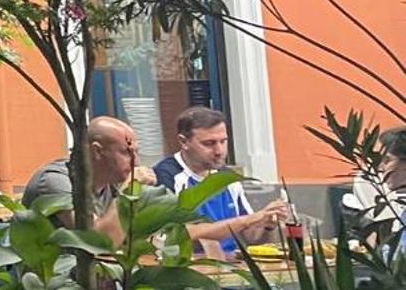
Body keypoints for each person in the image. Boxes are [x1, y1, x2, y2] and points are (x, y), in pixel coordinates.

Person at [150, 106, 291, 257]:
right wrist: (249, 219)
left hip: (234, 263)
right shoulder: (167, 177)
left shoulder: (227, 177)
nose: (219, 151)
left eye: (223, 141)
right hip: (191, 267)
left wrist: (267, 223)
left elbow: (251, 236)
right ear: (183, 142)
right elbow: (177, 235)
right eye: (209, 143)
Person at [22, 116, 152, 244]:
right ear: (97, 151)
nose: (136, 163)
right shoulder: (56, 180)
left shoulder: (113, 183)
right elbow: (99, 243)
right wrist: (129, 191)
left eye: (137, 152)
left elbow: (135, 238)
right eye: (126, 152)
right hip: (56, 264)